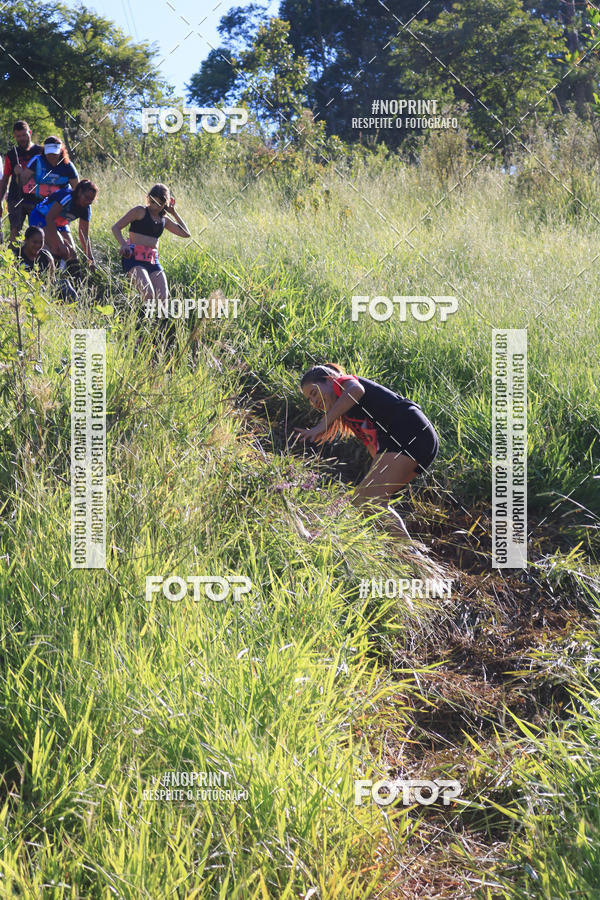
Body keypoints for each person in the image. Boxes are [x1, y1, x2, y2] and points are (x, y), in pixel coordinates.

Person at [296, 364, 439, 540]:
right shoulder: (348, 414)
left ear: (328, 380)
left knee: (368, 498)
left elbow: (356, 389)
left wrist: (321, 426)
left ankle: (409, 555)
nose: (313, 401)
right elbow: (375, 449)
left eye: (314, 393)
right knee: (367, 501)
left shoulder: (342, 382)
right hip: (417, 440)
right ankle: (410, 558)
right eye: (309, 399)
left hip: (409, 430)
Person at [111, 183, 190, 303]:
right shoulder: (139, 211)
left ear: (166, 203)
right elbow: (116, 227)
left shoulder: (164, 220)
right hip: (134, 258)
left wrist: (173, 213)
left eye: (160, 204)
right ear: (148, 198)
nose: (155, 207)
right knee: (148, 294)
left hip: (152, 260)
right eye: (153, 202)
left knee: (163, 297)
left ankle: (156, 321)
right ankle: (144, 320)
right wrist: (123, 244)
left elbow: (186, 234)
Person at [29, 180, 97, 275]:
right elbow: (49, 218)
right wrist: (59, 243)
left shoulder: (86, 208)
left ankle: (76, 284)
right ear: (79, 191)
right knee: (58, 248)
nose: (88, 201)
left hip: (60, 222)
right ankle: (50, 279)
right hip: (41, 216)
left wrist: (90, 258)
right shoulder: (68, 197)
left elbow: (84, 234)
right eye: (86, 197)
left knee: (72, 254)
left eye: (91, 200)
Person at [0, 121, 44, 244]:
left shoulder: (40, 152)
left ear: (29, 133)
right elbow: (5, 180)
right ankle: (14, 261)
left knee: (38, 233)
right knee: (15, 232)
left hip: (36, 199)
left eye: (24, 135)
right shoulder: (11, 154)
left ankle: (40, 261)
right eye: (18, 136)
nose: (22, 139)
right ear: (15, 137)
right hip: (16, 198)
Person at [15, 136, 78, 203]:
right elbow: (21, 182)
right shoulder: (37, 161)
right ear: (44, 152)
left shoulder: (68, 166)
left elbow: (77, 189)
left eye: (54, 154)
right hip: (39, 202)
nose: (51, 156)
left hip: (61, 204)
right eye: (49, 153)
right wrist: (18, 174)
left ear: (61, 151)